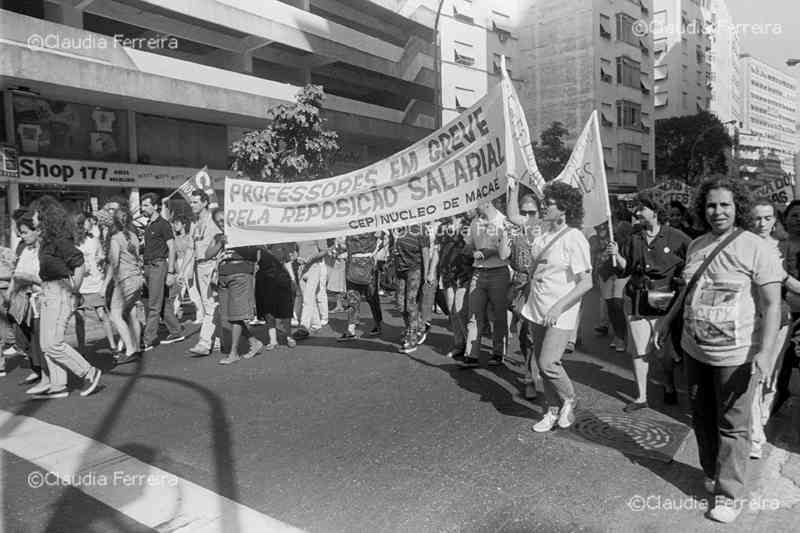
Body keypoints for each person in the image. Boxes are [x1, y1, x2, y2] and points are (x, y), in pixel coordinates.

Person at [655, 177, 782, 523]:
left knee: (733, 425)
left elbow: (772, 305)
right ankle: (712, 471)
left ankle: (729, 494)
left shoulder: (759, 248)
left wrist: (766, 353)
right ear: (702, 209)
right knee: (701, 417)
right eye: (711, 205)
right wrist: (667, 321)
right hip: (695, 350)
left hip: (737, 355)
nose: (718, 211)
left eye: (725, 204)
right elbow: (688, 289)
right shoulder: (696, 245)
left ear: (737, 206)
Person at [607, 193, 690, 412]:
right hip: (637, 299)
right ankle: (641, 396)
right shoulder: (634, 238)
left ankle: (669, 384)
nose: (636, 213)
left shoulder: (676, 236)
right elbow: (626, 266)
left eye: (641, 209)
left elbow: (694, 256)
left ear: (654, 211)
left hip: (665, 302)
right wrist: (617, 254)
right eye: (635, 210)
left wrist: (685, 279)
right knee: (639, 350)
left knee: (662, 353)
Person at [521, 182, 593, 432]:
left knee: (548, 362)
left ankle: (570, 398)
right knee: (541, 365)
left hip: (560, 312)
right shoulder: (542, 236)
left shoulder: (575, 238)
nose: (543, 206)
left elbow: (586, 282)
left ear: (563, 208)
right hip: (537, 307)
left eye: (549, 203)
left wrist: (558, 308)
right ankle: (551, 410)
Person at [32, 199, 102, 398]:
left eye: (36, 213)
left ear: (44, 216)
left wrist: (74, 289)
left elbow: (79, 262)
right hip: (48, 292)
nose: (33, 217)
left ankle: (89, 372)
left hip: (60, 292)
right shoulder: (46, 241)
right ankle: (58, 385)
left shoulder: (58, 240)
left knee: (53, 343)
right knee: (46, 344)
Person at [749, 200, 799, 459]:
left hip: (778, 318)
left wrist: (781, 276)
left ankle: (763, 416)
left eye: (767, 218)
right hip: (749, 319)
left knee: (771, 376)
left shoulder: (783, 246)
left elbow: (792, 283)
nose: (762, 223)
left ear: (774, 220)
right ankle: (755, 434)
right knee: (755, 377)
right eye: (756, 218)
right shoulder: (742, 243)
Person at [205, 209, 263, 364]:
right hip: (223, 276)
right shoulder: (218, 237)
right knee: (228, 318)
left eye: (223, 219)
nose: (220, 222)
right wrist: (220, 242)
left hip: (240, 274)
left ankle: (234, 353)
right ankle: (254, 342)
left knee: (236, 316)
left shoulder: (244, 232)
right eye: (217, 221)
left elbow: (257, 253)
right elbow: (207, 254)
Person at [462, 199, 511, 367]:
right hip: (478, 272)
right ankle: (471, 355)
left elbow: (509, 251)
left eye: (477, 203)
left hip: (499, 271)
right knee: (473, 314)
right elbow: (467, 246)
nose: (474, 206)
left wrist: (491, 252)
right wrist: (472, 251)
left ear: (488, 202)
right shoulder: (474, 222)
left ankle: (498, 353)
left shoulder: (504, 221)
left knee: (498, 316)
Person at [506, 184, 543, 399]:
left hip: (541, 286)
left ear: (540, 211)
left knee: (533, 334)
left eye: (532, 212)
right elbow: (511, 215)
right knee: (523, 333)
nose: (528, 216)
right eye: (524, 212)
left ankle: (533, 377)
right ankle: (532, 370)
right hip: (520, 287)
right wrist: (513, 188)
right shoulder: (517, 228)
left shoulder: (547, 229)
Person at [3, 211, 44, 389]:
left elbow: (43, 277)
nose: (21, 235)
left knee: (38, 339)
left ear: (37, 230)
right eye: (21, 232)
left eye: (25, 231)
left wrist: (27, 277)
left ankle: (46, 374)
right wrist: (9, 294)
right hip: (22, 298)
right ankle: (37, 369)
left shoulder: (43, 250)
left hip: (39, 299)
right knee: (21, 336)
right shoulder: (25, 249)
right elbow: (16, 274)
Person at [140, 193, 184, 350]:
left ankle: (148, 339)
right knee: (162, 302)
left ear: (156, 206)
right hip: (148, 267)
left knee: (153, 305)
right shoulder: (148, 225)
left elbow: (172, 247)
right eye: (142, 205)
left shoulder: (163, 224)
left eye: (146, 205)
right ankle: (176, 331)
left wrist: (171, 272)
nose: (142, 208)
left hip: (158, 266)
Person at [103, 207, 145, 366]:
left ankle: (130, 350)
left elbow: (114, 263)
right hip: (137, 278)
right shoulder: (134, 236)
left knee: (115, 315)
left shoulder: (115, 238)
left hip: (125, 280)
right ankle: (136, 347)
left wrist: (105, 284)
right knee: (132, 312)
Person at [72, 213, 116, 354]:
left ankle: (113, 345)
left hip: (95, 282)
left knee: (103, 315)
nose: (90, 223)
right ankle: (81, 348)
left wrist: (99, 258)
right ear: (80, 224)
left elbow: (102, 255)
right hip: (79, 284)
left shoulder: (94, 240)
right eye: (87, 221)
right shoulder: (72, 242)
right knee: (79, 318)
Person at [774, 200, 800, 414]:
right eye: (794, 215)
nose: (798, 219)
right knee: (781, 358)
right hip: (782, 311)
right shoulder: (775, 246)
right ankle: (778, 394)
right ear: (785, 219)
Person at [188, 190, 221, 356]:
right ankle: (219, 338)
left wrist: (217, 266)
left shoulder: (213, 221)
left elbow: (221, 244)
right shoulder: (194, 223)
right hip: (199, 266)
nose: (192, 205)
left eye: (195, 202)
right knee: (210, 305)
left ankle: (205, 342)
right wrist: (184, 271)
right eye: (191, 202)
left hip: (211, 265)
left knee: (210, 305)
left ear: (205, 203)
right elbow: (190, 248)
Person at [438, 214, 474, 360]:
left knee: (460, 310)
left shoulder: (468, 224)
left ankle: (471, 347)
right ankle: (459, 344)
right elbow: (437, 250)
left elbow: (471, 246)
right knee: (452, 311)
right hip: (447, 272)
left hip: (463, 272)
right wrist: (433, 271)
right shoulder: (442, 226)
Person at [392, 224, 430, 353]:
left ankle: (412, 338)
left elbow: (425, 252)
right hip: (400, 270)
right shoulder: (397, 227)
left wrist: (426, 275)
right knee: (400, 306)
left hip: (414, 269)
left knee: (410, 305)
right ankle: (419, 326)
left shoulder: (420, 229)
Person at [339, 232, 383, 341]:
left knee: (372, 298)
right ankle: (351, 330)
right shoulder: (347, 225)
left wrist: (374, 252)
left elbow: (384, 238)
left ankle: (378, 324)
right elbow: (342, 244)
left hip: (369, 267)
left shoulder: (372, 223)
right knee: (352, 298)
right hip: (353, 267)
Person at [255, 242, 298, 349]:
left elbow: (287, 262)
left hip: (282, 279)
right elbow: (254, 264)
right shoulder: (258, 246)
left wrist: (292, 279)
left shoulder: (282, 244)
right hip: (264, 280)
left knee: (285, 309)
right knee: (268, 311)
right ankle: (273, 340)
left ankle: (289, 336)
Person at [293, 239, 330, 340]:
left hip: (314, 267)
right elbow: (295, 250)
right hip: (301, 268)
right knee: (308, 298)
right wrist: (297, 258)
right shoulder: (297, 232)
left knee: (307, 299)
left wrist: (311, 258)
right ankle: (316, 324)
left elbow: (324, 251)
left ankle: (304, 327)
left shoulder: (317, 232)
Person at [171, 214, 202, 323]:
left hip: (189, 263)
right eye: (174, 224)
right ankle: (172, 315)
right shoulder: (174, 238)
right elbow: (173, 256)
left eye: (177, 223)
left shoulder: (189, 237)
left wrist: (190, 269)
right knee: (178, 292)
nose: (175, 226)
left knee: (192, 291)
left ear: (184, 225)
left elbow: (192, 253)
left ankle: (200, 314)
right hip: (179, 264)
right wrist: (176, 270)